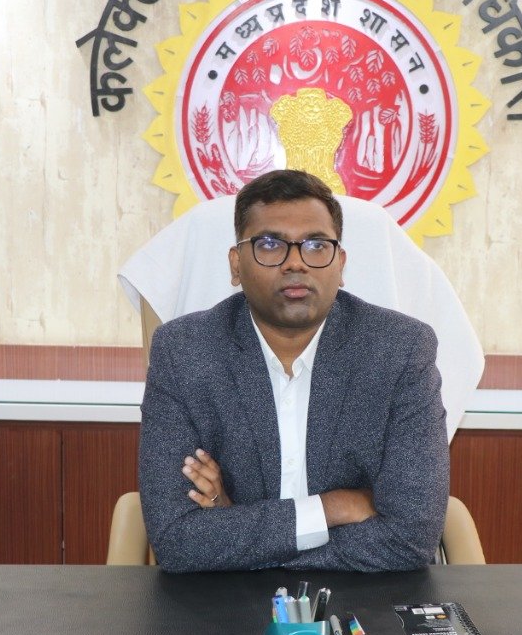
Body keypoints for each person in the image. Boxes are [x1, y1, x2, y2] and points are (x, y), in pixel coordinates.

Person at [138, 169, 450, 572]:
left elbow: (411, 538)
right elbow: (176, 541)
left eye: (316, 245)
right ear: (236, 265)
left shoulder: (400, 351)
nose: (296, 263)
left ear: (340, 264)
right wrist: (333, 508)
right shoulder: (185, 352)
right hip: (228, 599)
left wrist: (232, 530)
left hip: (365, 595)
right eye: (270, 244)